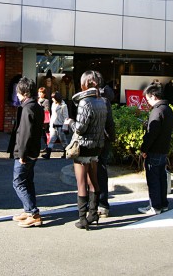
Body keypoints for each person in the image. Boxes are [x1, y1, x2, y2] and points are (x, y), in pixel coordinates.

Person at [64, 70, 107, 230]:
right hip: (96, 146)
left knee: (81, 183)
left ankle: (82, 218)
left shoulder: (85, 102)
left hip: (83, 147)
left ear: (84, 83)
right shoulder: (102, 101)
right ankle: (93, 213)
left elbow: (81, 129)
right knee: (93, 181)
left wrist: (70, 122)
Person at [11, 77, 45, 227]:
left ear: (24, 93)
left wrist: (22, 155)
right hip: (34, 150)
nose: (17, 95)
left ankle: (32, 213)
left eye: (18, 92)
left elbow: (24, 134)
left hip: (25, 153)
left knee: (18, 182)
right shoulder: (37, 106)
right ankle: (28, 210)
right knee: (28, 181)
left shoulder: (27, 108)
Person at [138, 83, 173, 216]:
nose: (147, 101)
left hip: (154, 150)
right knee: (161, 178)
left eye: (148, 98)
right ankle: (163, 204)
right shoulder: (168, 109)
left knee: (153, 179)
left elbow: (151, 133)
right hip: (164, 149)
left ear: (153, 96)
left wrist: (144, 148)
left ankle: (155, 206)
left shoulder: (156, 111)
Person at [97, 83, 115, 218]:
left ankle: (98, 204)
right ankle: (101, 205)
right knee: (101, 172)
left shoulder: (98, 100)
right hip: (105, 141)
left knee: (96, 173)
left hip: (96, 142)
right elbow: (110, 124)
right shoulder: (106, 99)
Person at [42, 91, 69, 159]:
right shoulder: (53, 104)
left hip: (60, 126)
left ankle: (66, 154)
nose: (52, 99)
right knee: (51, 140)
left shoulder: (64, 106)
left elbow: (66, 117)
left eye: (53, 98)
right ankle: (48, 155)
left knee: (64, 141)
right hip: (54, 126)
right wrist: (50, 126)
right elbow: (52, 116)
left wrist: (65, 127)